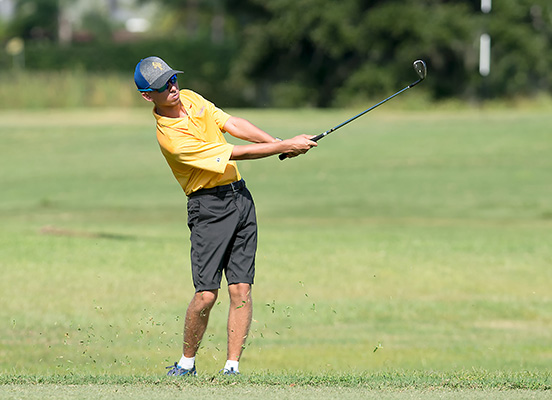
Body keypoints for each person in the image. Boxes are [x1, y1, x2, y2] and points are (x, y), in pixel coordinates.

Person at [134, 56, 316, 376]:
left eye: (172, 79)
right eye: (163, 85)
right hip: (208, 208)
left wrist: (275, 142)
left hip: (240, 198)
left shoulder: (189, 97)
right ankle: (186, 364)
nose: (172, 87)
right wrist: (283, 146)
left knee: (241, 290)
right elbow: (233, 151)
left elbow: (230, 123)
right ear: (148, 95)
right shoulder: (171, 139)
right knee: (206, 294)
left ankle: (231, 369)